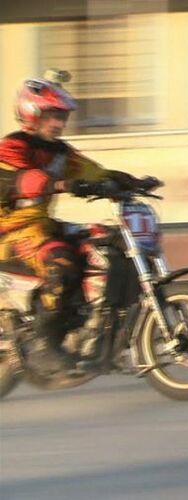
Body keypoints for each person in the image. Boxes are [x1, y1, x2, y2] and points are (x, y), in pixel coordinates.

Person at [0, 69, 157, 371]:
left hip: (41, 226)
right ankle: (44, 342)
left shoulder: (61, 152)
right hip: (11, 230)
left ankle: (98, 327)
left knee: (107, 242)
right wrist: (58, 184)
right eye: (52, 115)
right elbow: (18, 179)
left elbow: (93, 172)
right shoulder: (12, 146)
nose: (59, 123)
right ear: (32, 113)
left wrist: (131, 182)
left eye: (62, 116)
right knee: (61, 262)